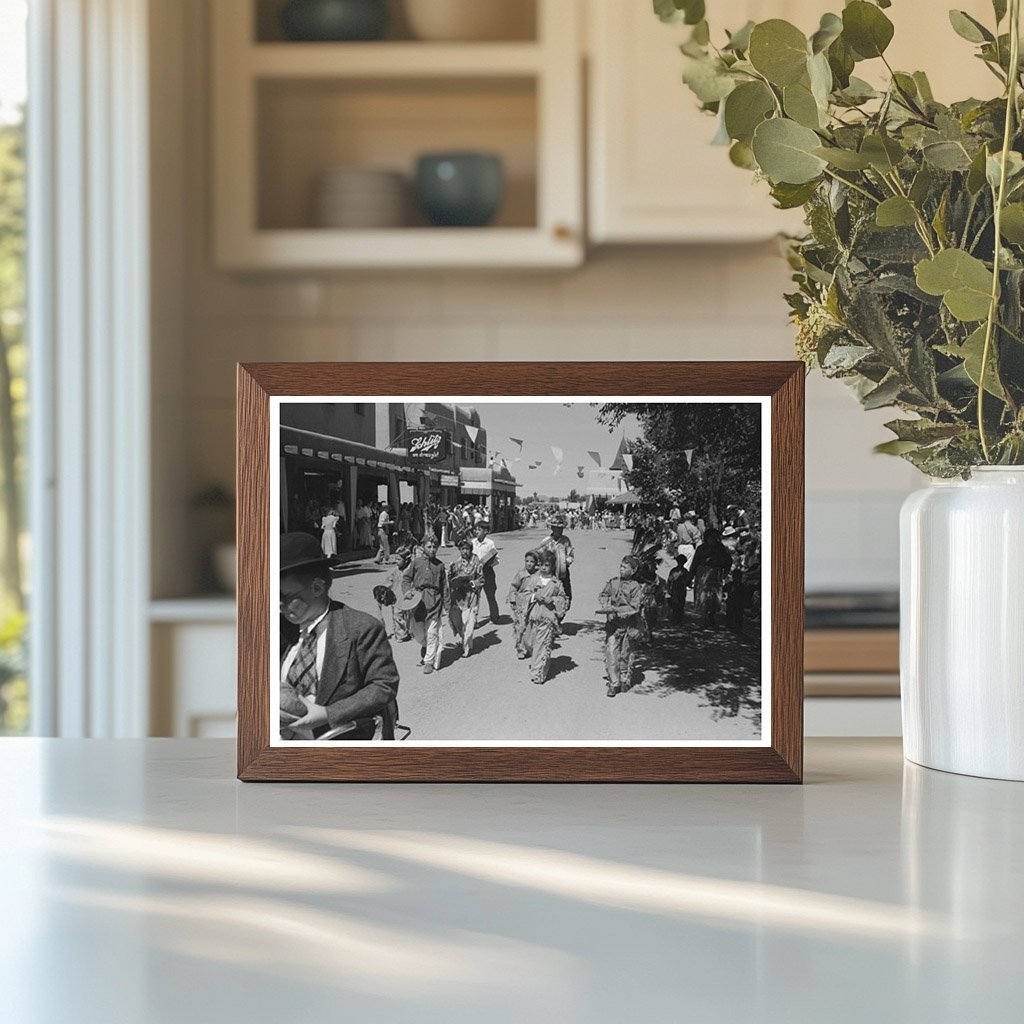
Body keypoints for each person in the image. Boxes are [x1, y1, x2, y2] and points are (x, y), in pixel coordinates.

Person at [278, 532, 399, 740]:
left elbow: (383, 685)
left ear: (317, 587)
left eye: (285, 597)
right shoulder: (279, 628)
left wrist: (328, 714)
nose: (279, 605)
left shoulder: (361, 628)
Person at [598, 555, 645, 698]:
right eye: (621, 566)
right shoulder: (613, 582)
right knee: (611, 652)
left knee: (625, 653)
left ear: (633, 571)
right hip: (613, 625)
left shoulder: (635, 587)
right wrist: (605, 605)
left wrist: (618, 610)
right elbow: (604, 594)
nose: (621, 569)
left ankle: (624, 678)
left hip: (629, 625)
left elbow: (635, 606)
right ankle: (614, 683)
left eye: (625, 567)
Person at [402, 534, 448, 674]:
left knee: (432, 632)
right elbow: (406, 578)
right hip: (418, 601)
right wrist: (407, 591)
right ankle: (426, 645)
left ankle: (429, 661)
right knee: (418, 633)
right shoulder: (416, 563)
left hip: (435, 601)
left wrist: (447, 604)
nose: (432, 549)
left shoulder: (440, 565)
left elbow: (444, 587)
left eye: (435, 547)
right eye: (429, 547)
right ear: (423, 547)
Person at [523, 549, 567, 685]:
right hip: (533, 617)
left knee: (541, 646)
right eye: (541, 564)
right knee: (529, 643)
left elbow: (563, 599)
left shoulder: (556, 583)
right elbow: (524, 595)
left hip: (547, 619)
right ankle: (537, 661)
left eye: (546, 565)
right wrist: (534, 596)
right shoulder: (533, 579)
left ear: (552, 566)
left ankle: (539, 674)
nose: (543, 568)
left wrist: (553, 599)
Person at [690, 527, 734, 628]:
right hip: (703, 575)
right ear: (707, 538)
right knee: (703, 596)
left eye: (715, 537)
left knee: (714, 596)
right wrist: (690, 575)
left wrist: (726, 572)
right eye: (711, 537)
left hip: (716, 575)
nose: (714, 539)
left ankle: (711, 616)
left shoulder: (720, 548)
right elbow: (695, 562)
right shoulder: (701, 548)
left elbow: (728, 560)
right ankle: (704, 617)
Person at [447, 538, 483, 658]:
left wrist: (472, 583)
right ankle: (465, 640)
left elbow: (481, 579)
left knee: (469, 621)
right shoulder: (456, 563)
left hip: (471, 596)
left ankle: (467, 647)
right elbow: (450, 579)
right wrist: (453, 578)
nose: (465, 551)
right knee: (459, 621)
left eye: (467, 549)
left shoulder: (477, 562)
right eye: (462, 549)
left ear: (471, 550)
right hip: (458, 597)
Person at [373, 545, 413, 641]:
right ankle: (400, 634)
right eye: (395, 559)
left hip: (408, 597)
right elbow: (390, 580)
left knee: (409, 616)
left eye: (398, 559)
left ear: (406, 560)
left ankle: (409, 631)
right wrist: (382, 588)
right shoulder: (396, 570)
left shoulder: (411, 570)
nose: (396, 561)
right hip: (396, 597)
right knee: (397, 615)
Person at [507, 549, 540, 660]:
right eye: (527, 561)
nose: (529, 564)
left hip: (534, 604)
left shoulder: (539, 574)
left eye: (532, 561)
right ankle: (520, 649)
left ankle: (531, 647)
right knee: (521, 626)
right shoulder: (521, 574)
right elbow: (514, 587)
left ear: (536, 563)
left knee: (532, 626)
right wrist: (512, 599)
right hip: (521, 604)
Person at [539, 513, 574, 611]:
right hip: (549, 574)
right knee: (549, 594)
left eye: (561, 528)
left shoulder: (566, 541)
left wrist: (566, 561)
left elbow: (571, 555)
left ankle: (562, 611)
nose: (559, 530)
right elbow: (540, 556)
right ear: (552, 528)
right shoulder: (546, 541)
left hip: (563, 572)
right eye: (556, 528)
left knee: (566, 594)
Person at [472, 520, 501, 623]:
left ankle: (494, 616)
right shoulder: (473, 543)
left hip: (487, 572)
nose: (476, 531)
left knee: (490, 595)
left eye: (479, 529)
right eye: (475, 529)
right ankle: (473, 620)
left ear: (486, 531)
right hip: (475, 573)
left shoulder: (490, 543)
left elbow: (496, 558)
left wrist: (489, 563)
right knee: (474, 597)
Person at [667, 554, 691, 625]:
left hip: (681, 590)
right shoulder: (675, 570)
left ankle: (679, 620)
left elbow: (688, 582)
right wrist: (668, 589)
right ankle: (675, 620)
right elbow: (669, 580)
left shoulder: (684, 571)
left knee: (680, 605)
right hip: (675, 590)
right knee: (675, 605)